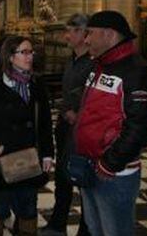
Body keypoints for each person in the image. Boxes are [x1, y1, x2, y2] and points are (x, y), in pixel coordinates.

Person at [74, 10, 147, 236]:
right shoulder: (99, 65)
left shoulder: (136, 70)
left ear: (109, 35)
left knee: (115, 231)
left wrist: (110, 163)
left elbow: (140, 127)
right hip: (90, 166)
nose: (86, 39)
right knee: (94, 229)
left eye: (90, 33)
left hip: (113, 173)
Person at [0, 36, 54, 235]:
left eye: (31, 52)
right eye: (24, 52)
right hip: (2, 161)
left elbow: (45, 122)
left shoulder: (36, 84)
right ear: (10, 57)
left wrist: (47, 153)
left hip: (29, 159)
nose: (30, 56)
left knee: (28, 210)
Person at [41, 14, 92, 236]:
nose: (66, 36)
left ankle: (86, 228)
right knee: (62, 177)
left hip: (81, 130)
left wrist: (78, 114)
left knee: (83, 179)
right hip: (65, 127)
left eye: (70, 31)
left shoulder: (94, 61)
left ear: (83, 33)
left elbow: (92, 95)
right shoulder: (72, 60)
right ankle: (57, 223)